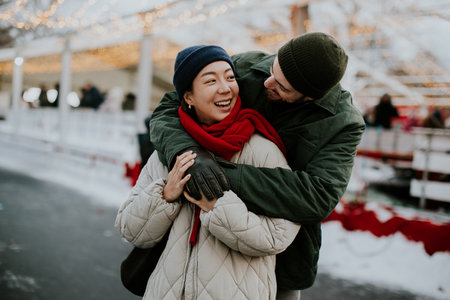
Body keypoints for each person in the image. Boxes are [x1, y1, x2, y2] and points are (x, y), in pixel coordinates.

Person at [150, 32, 366, 298]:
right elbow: (168, 108)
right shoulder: (246, 67)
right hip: (208, 239)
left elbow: (319, 195)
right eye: (274, 68)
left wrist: (219, 174)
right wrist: (189, 153)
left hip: (282, 251)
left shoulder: (344, 123)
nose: (268, 82)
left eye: (283, 87)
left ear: (310, 97)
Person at [115, 45, 300, 299]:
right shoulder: (171, 150)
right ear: (188, 97)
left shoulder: (263, 150)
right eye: (211, 80)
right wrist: (165, 195)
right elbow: (129, 229)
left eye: (230, 77)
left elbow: (278, 236)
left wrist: (217, 206)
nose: (225, 88)